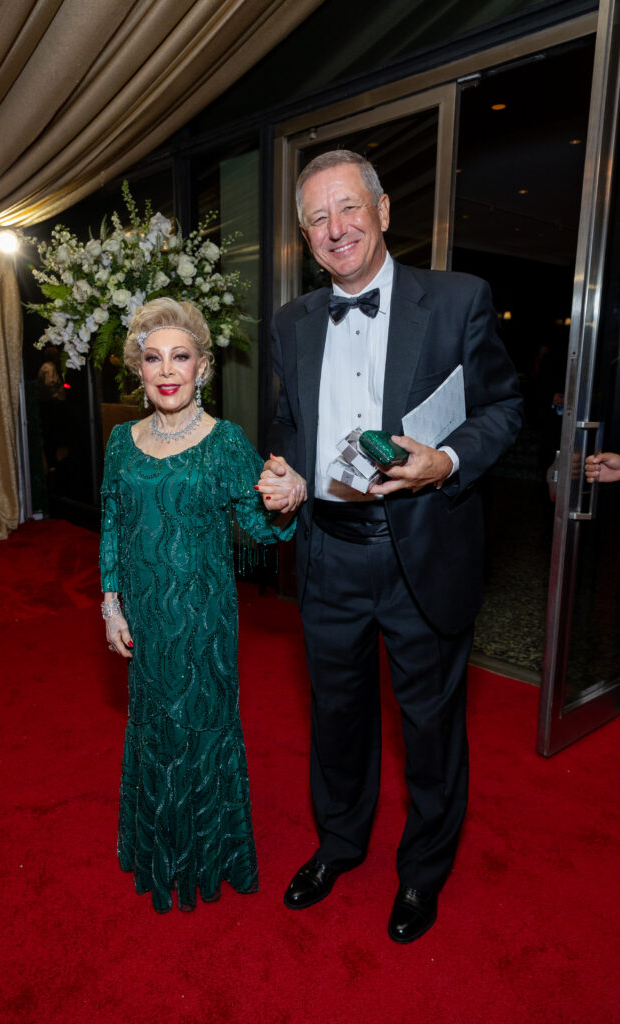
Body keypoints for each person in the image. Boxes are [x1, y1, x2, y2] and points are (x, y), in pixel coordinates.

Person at [261, 150, 523, 943]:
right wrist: (285, 471)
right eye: (317, 218)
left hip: (421, 551)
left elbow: (505, 409)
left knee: (429, 727)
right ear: (305, 236)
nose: (335, 229)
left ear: (380, 211)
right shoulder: (289, 322)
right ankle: (338, 845)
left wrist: (444, 461)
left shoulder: (456, 301)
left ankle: (422, 874)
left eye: (347, 209)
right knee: (336, 717)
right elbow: (288, 425)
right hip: (328, 554)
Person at [99, 297, 305, 913]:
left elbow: (262, 533)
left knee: (202, 731)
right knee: (154, 728)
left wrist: (286, 498)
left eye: (180, 357)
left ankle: (206, 856)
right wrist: (111, 606)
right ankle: (156, 846)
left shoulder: (225, 444)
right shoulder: (119, 440)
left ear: (203, 368)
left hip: (203, 620)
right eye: (153, 357)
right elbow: (111, 521)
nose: (167, 370)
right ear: (137, 369)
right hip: (143, 617)